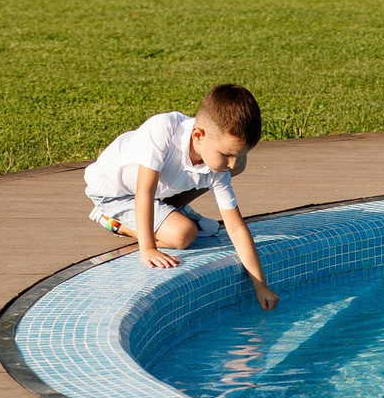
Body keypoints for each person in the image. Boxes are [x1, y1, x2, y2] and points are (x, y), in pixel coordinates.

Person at [84, 83, 280, 308]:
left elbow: (235, 228)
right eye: (227, 154)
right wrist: (148, 248)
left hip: (155, 193)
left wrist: (261, 286)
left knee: (217, 185)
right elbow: (144, 191)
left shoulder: (216, 158)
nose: (233, 162)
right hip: (114, 194)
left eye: (239, 154)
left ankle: (170, 210)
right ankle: (111, 221)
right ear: (198, 135)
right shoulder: (163, 130)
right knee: (183, 234)